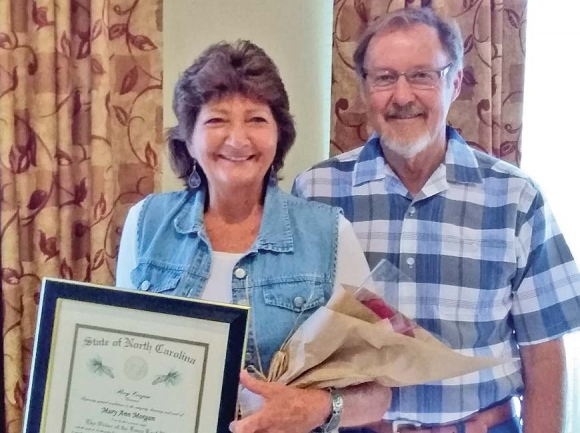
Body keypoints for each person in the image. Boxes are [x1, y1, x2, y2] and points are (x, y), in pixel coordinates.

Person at [293, 7, 580, 433]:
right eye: (385, 77)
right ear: (364, 87)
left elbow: (544, 354)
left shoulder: (516, 198)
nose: (402, 95)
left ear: (455, 82)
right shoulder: (316, 192)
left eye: (422, 75)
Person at [116, 40, 391, 433]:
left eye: (257, 120)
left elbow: (379, 393)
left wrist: (314, 407)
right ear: (189, 140)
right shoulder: (146, 222)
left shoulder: (330, 232)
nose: (238, 139)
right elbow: (124, 360)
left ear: (279, 136)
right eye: (216, 120)